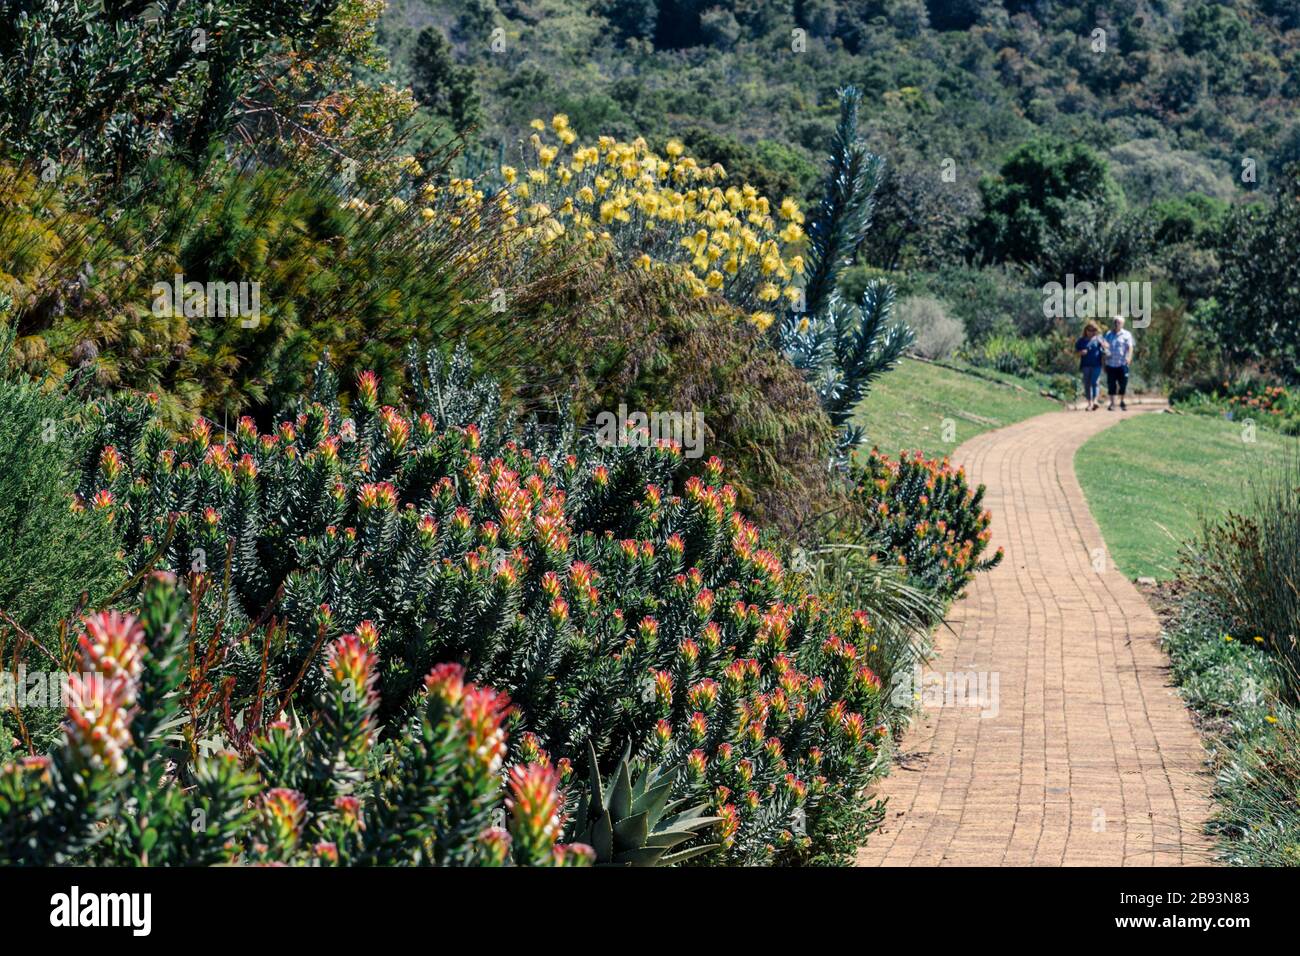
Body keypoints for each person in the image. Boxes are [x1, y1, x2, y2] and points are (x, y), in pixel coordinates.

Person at [1102, 315, 1135, 411]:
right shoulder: (1108, 334)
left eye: (1119, 322)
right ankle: (1112, 404)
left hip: (1122, 364)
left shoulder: (1127, 334)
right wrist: (1104, 363)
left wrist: (1129, 358)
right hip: (1111, 364)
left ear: (1122, 324)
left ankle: (1122, 401)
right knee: (1111, 384)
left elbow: (1130, 348)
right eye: (1115, 322)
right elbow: (1104, 348)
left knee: (1123, 384)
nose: (1117, 324)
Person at [1074, 321, 1105, 410]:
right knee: (1087, 384)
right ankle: (1090, 403)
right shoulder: (1081, 341)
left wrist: (1103, 344)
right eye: (1089, 330)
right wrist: (1081, 352)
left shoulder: (1099, 339)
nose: (1091, 332)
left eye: (1093, 330)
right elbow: (1076, 352)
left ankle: (1095, 401)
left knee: (1094, 382)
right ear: (1086, 330)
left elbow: (1107, 347)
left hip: (1097, 365)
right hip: (1085, 365)